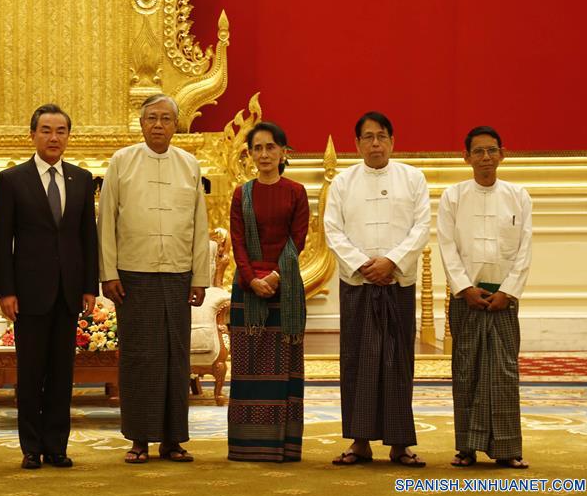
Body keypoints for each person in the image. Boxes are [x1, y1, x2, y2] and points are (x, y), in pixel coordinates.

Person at [98, 94, 210, 464]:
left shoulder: (189, 164)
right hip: (134, 274)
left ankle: (173, 439)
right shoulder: (122, 161)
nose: (158, 125)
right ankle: (140, 440)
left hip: (178, 273)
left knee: (176, 358)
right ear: (141, 123)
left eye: (165, 118)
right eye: (151, 118)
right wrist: (108, 272)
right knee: (139, 358)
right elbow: (107, 221)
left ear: (176, 125)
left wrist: (199, 277)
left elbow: (199, 225)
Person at [0, 104, 99, 470]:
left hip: (70, 292)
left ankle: (57, 445)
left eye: (61, 131)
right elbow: (1, 240)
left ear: (68, 136)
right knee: (31, 372)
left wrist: (89, 287)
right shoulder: (11, 180)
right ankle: (31, 447)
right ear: (33, 134)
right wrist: (5, 290)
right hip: (27, 293)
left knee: (61, 374)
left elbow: (88, 236)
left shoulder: (82, 179)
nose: (54, 137)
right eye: (46, 130)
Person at [324, 111, 430, 467]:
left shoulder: (413, 178)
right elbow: (333, 230)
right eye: (367, 137)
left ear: (392, 141)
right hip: (358, 284)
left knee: (397, 362)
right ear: (356, 144)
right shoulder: (342, 182)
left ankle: (400, 444)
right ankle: (359, 442)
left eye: (381, 136)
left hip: (397, 283)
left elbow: (421, 228)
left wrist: (391, 262)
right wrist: (364, 265)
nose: (375, 144)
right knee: (358, 361)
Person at [437, 126, 532, 469]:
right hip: (467, 298)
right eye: (478, 151)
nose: (486, 157)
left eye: (492, 150)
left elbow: (524, 249)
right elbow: (447, 246)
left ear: (502, 154)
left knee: (504, 373)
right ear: (466, 157)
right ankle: (466, 448)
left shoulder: (519, 196)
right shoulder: (454, 197)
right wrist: (463, 288)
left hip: (504, 298)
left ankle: (508, 449)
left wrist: (508, 291)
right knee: (466, 372)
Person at [227, 122, 309, 462]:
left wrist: (275, 277)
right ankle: (247, 445)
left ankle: (283, 445)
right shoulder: (240, 194)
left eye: (270, 147)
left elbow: (297, 241)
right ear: (249, 154)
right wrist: (251, 279)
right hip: (247, 291)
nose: (263, 154)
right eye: (257, 148)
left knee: (283, 369)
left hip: (285, 288)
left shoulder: (296, 192)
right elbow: (238, 241)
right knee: (248, 368)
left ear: (283, 152)